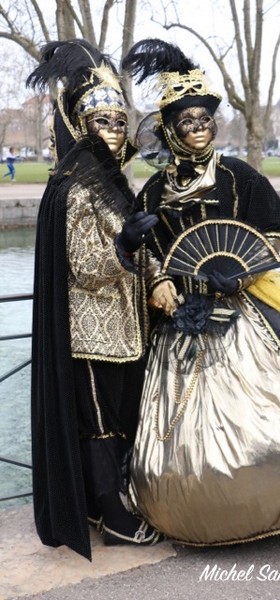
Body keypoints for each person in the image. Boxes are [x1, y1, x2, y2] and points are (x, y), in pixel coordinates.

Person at [123, 39, 280, 545]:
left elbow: (272, 230)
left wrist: (240, 275)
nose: (198, 129)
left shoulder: (239, 176)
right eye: (187, 122)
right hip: (183, 322)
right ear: (170, 130)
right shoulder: (153, 192)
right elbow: (150, 250)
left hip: (246, 309)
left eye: (204, 120)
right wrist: (158, 279)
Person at [26, 39, 168, 561]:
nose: (112, 130)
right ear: (81, 127)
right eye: (101, 122)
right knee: (101, 426)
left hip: (125, 328)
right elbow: (86, 268)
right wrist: (126, 245)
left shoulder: (110, 182)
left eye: (117, 121)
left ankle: (107, 502)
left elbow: (136, 243)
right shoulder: (76, 188)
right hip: (90, 332)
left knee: (119, 419)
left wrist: (154, 274)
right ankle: (115, 518)